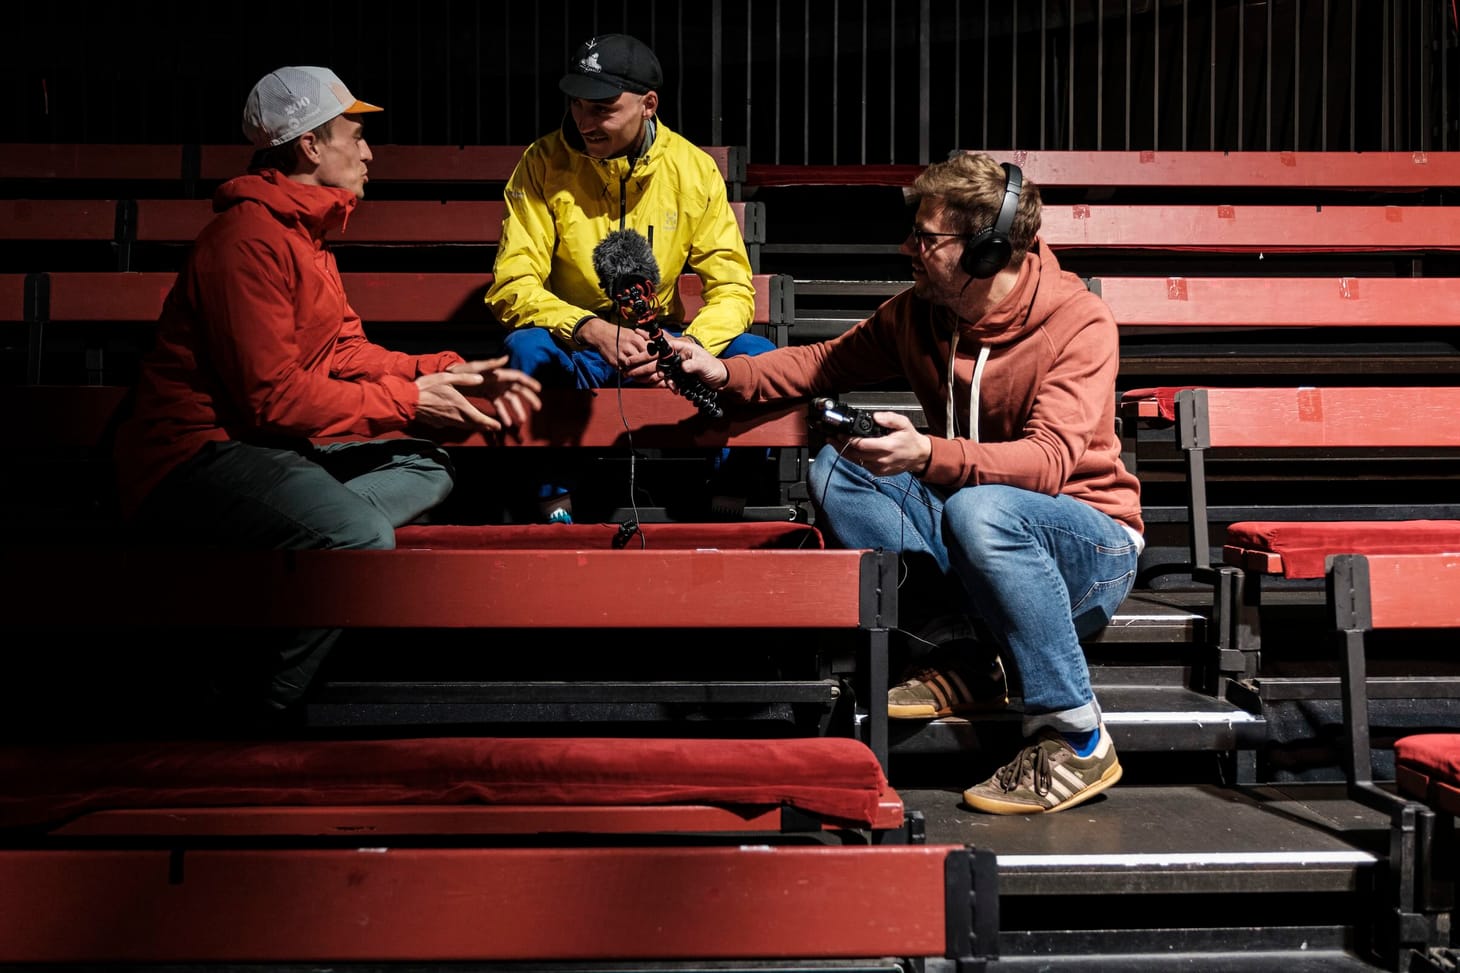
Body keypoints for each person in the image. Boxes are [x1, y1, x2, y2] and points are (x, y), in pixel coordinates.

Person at [667, 152, 1145, 815]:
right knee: (838, 465)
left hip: (1088, 549)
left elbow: (1048, 462)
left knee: (980, 509)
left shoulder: (1077, 322)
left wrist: (925, 452)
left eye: (927, 238)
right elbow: (821, 363)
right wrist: (725, 374)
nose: (908, 248)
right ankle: (963, 658)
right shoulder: (922, 311)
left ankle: (1077, 735)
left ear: (985, 251)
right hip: (977, 535)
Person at [112, 65, 543, 724]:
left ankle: (292, 543)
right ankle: (254, 708)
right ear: (310, 145)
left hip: (267, 449)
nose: (368, 151)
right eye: (355, 134)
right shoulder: (247, 241)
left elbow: (343, 350)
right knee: (361, 536)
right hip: (194, 458)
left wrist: (441, 369)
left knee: (427, 464)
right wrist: (408, 400)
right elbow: (272, 399)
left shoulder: (306, 236)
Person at [485, 32, 775, 523]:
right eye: (577, 104)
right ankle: (555, 506)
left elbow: (731, 286)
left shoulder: (692, 169)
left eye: (602, 107)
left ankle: (726, 504)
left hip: (667, 341)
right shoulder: (542, 162)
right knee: (526, 349)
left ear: (649, 104)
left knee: (759, 359)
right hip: (579, 342)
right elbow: (513, 283)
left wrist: (692, 347)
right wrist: (586, 328)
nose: (584, 119)